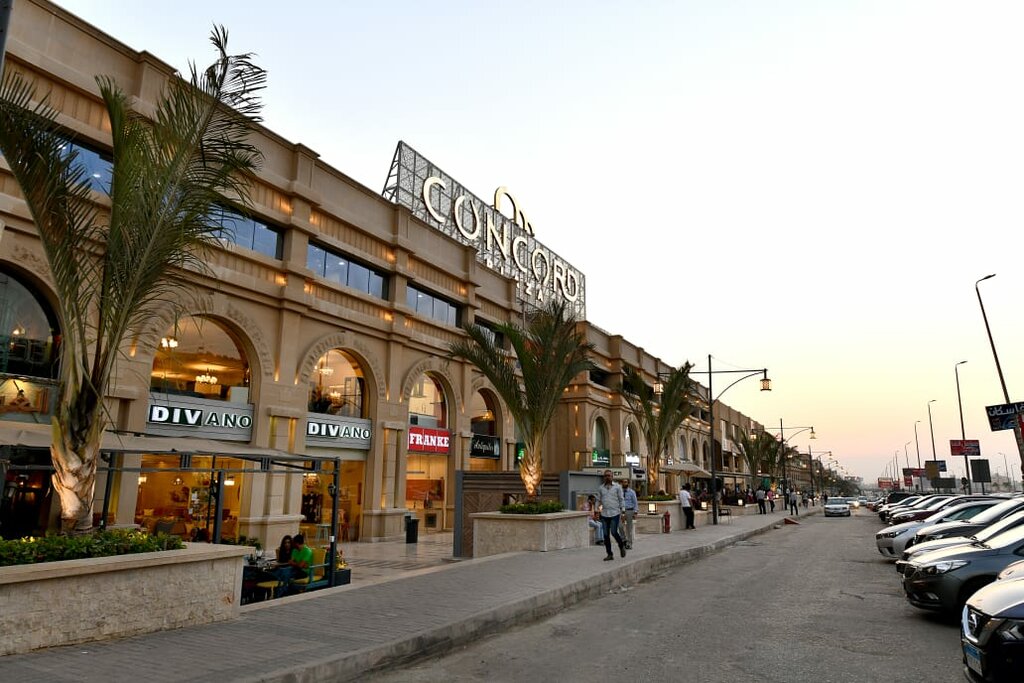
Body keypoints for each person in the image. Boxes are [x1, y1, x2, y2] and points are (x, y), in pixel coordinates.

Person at [595, 469, 627, 561]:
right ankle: (609, 554)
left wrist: (623, 511)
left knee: (613, 532)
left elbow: (621, 499)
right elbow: (597, 500)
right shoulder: (601, 488)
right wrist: (597, 510)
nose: (607, 477)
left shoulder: (617, 487)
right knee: (605, 535)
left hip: (615, 513)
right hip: (604, 514)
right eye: (605, 476)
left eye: (609, 475)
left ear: (612, 477)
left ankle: (621, 546)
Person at [272, 533, 313, 597]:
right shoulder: (295, 550)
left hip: (304, 572)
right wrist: (297, 564)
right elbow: (291, 562)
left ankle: (281, 592)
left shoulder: (307, 551)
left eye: (293, 543)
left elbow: (300, 566)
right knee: (282, 570)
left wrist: (295, 564)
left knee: (286, 573)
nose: (292, 545)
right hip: (295, 569)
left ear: (297, 543)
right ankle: (282, 590)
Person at [621, 479, 638, 549]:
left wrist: (635, 512)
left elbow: (635, 502)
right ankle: (624, 539)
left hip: (629, 511)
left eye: (626, 482)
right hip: (621, 511)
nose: (624, 483)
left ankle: (629, 543)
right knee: (619, 526)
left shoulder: (632, 492)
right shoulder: (619, 492)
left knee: (629, 528)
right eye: (623, 482)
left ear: (628, 483)